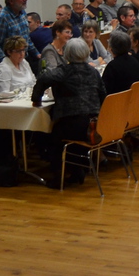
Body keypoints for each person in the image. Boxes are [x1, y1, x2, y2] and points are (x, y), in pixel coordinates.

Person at [32, 38, 104, 186]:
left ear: (67, 54)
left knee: (49, 136)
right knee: (64, 132)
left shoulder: (64, 71)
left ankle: (60, 176)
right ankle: (76, 170)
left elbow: (43, 78)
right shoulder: (93, 72)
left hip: (74, 122)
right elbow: (103, 95)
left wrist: (36, 99)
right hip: (94, 123)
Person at [0, 0, 38, 68]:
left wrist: (37, 54)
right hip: (9, 64)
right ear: (11, 1)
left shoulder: (22, 13)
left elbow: (26, 38)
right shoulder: (1, 17)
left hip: (24, 60)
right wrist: (7, 64)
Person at [101, 30, 139, 95]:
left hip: (117, 100)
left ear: (111, 48)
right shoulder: (135, 61)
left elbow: (104, 90)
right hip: (135, 98)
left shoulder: (112, 66)